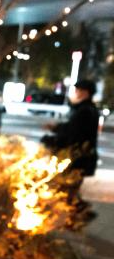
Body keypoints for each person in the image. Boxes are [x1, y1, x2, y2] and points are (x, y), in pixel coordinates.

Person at [42, 78, 100, 218]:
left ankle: (81, 214)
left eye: (77, 90)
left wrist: (52, 140)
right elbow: (72, 129)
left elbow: (74, 134)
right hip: (81, 157)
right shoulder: (88, 109)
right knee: (69, 189)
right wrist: (56, 128)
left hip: (77, 157)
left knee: (65, 188)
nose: (74, 93)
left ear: (85, 92)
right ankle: (77, 215)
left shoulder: (84, 111)